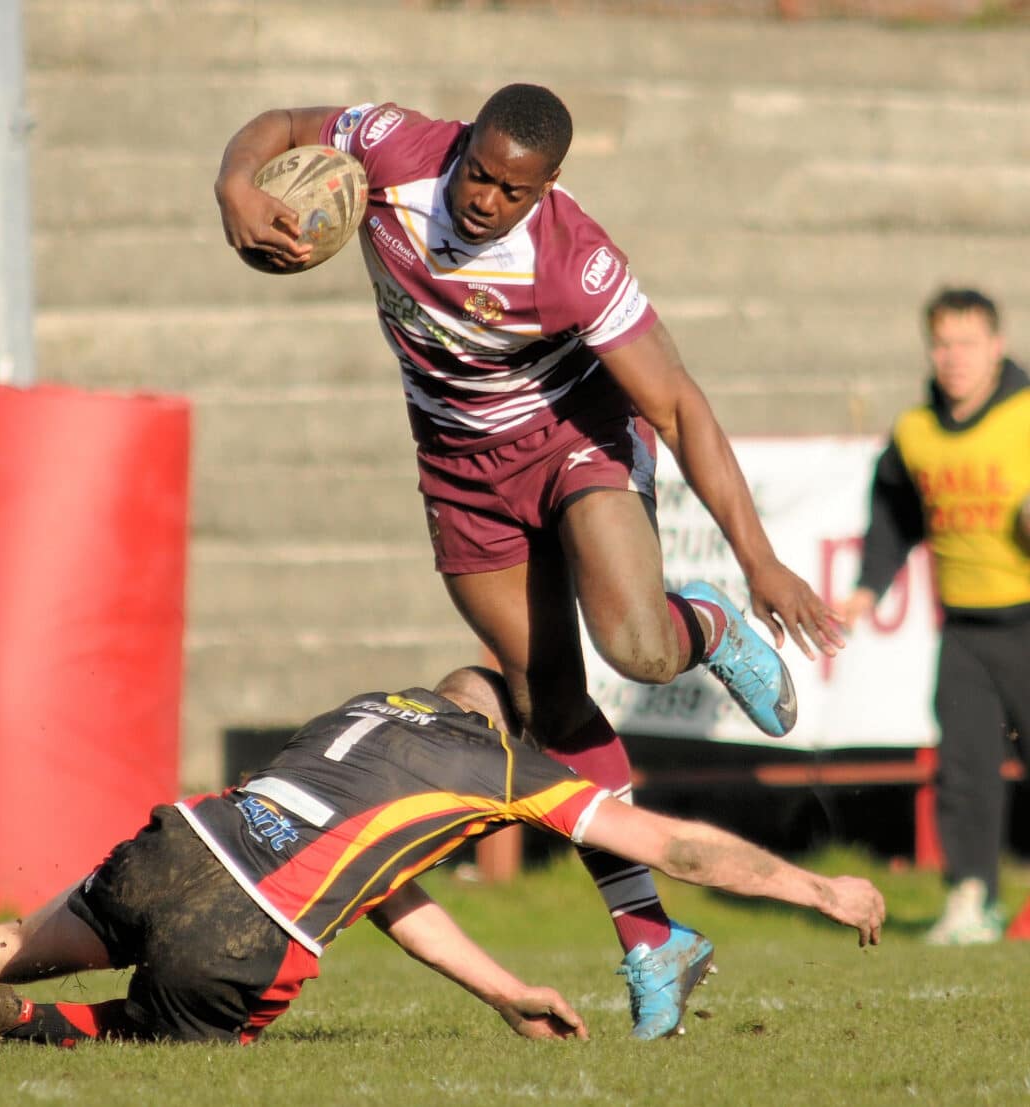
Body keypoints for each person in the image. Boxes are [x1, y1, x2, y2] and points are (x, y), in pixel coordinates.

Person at [214, 84, 846, 1033]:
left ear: (549, 185)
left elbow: (676, 405)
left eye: (513, 190)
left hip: (573, 439)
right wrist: (234, 184)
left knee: (636, 645)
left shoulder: (573, 261)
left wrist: (759, 562)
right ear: (462, 144)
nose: (483, 201)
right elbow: (286, 126)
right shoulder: (397, 149)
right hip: (459, 468)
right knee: (551, 703)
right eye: (477, 174)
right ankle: (650, 938)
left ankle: (703, 621)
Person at [0, 666, 883, 1054]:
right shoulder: (506, 769)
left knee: (12, 942)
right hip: (243, 928)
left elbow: (383, 885)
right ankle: (29, 1037)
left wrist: (509, 989)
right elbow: (669, 841)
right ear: (503, 726)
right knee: (208, 1019)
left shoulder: (367, 714)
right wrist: (816, 886)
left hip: (175, 844)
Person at [840, 287, 1030, 946]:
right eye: (942, 343)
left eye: (967, 342)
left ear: (997, 346)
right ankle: (971, 897)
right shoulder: (916, 432)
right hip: (968, 630)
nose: (953, 357)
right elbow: (894, 514)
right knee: (964, 769)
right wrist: (868, 588)